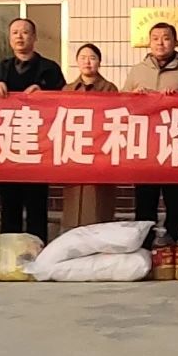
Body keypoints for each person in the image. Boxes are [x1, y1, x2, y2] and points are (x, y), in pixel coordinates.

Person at [122, 23, 178, 244]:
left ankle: (177, 249)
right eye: (155, 38)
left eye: (166, 38)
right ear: (149, 42)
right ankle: (143, 248)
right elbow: (122, 103)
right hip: (146, 146)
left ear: (174, 41)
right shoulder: (137, 70)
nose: (160, 43)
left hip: (175, 144)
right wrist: (134, 95)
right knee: (145, 203)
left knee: (176, 203)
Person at [0, 18, 66, 243]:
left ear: (34, 37)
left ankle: (37, 252)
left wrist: (45, 93)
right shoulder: (0, 69)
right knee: (9, 205)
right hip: (7, 147)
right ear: (10, 39)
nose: (20, 37)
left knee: (36, 206)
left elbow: (64, 100)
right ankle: (9, 253)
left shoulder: (50, 69)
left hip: (37, 147)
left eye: (25, 32)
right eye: (15, 33)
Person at [62, 43, 119, 231]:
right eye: (83, 58)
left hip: (100, 154)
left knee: (98, 202)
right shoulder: (68, 90)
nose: (87, 62)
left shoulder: (109, 89)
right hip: (74, 152)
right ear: (77, 62)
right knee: (73, 200)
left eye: (92, 58)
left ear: (99, 62)